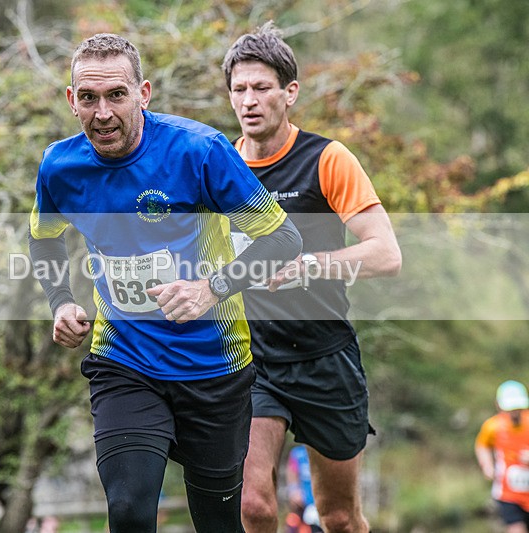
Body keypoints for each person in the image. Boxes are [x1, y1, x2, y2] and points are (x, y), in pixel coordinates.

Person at [29, 33, 302, 533]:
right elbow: (43, 240)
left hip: (213, 365)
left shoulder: (199, 151)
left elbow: (283, 238)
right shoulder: (60, 167)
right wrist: (61, 301)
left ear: (144, 93)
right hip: (124, 359)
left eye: (117, 95)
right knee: (129, 510)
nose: (103, 113)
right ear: (71, 100)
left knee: (218, 522)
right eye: (88, 98)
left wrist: (211, 288)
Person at [221, 22, 402, 533]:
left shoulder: (326, 159)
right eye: (239, 89)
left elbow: (386, 254)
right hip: (253, 359)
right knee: (252, 505)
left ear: (290, 93)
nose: (249, 101)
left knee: (339, 517)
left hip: (324, 357)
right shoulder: (220, 167)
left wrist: (309, 266)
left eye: (261, 88)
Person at [475, 380, 529, 533]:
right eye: (510, 409)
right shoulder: (493, 426)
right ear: (499, 406)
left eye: (517, 408)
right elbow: (482, 445)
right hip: (508, 493)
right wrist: (487, 465)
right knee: (516, 528)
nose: (514, 413)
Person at [285, 445, 322, 533]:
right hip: (304, 505)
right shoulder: (297, 453)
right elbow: (291, 473)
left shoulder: (324, 452)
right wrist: (294, 491)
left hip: (320, 503)